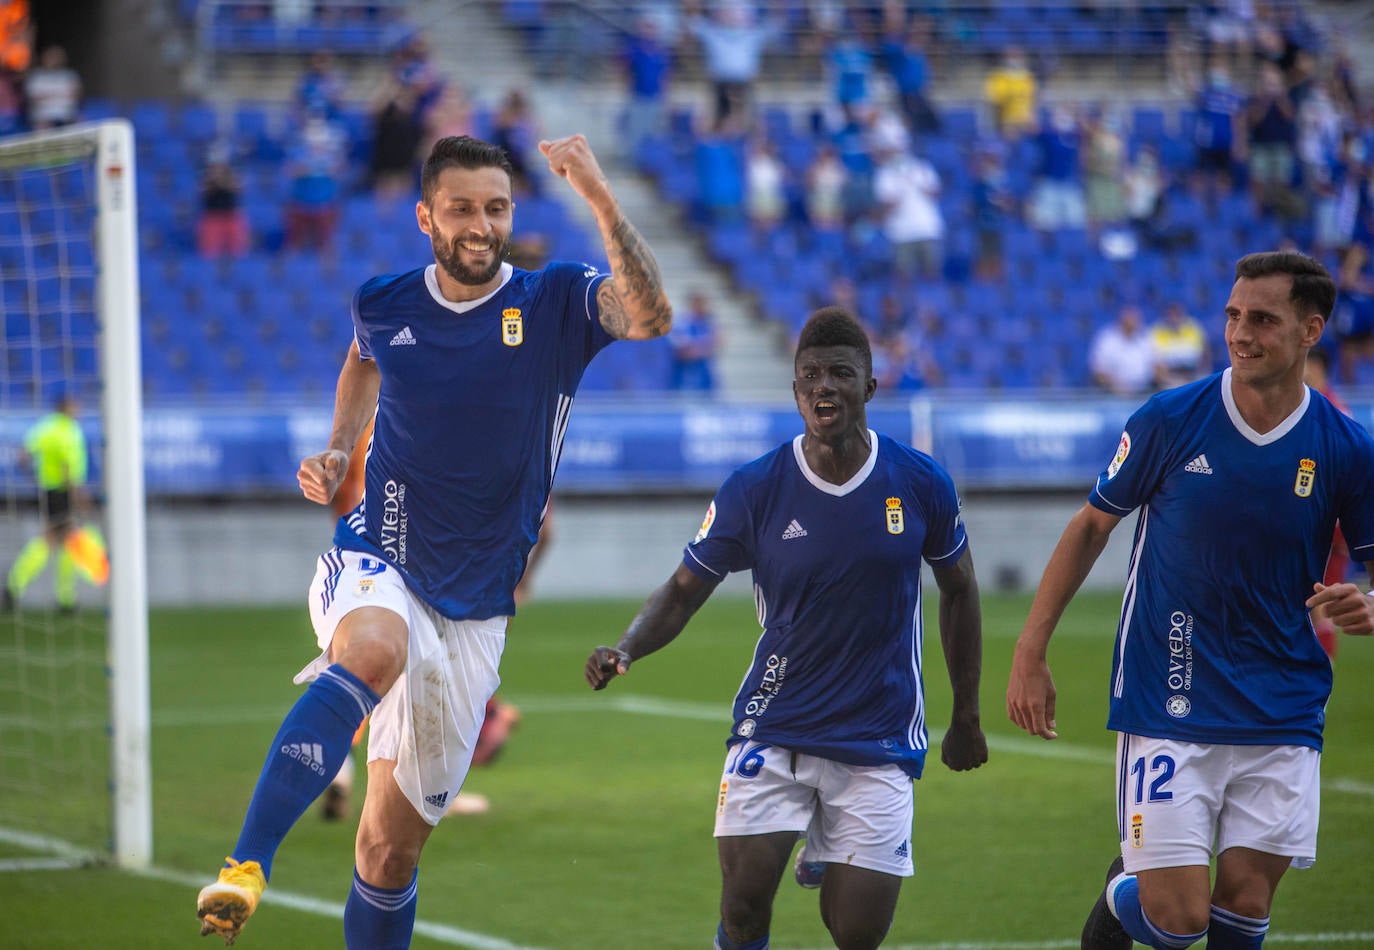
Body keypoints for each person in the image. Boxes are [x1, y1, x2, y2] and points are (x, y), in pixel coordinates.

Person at [196, 133, 673, 947]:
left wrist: (598, 195)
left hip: (477, 609)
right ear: (426, 217)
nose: (481, 225)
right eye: (461, 209)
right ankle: (245, 864)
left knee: (388, 852)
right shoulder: (384, 303)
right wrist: (340, 448)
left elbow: (651, 316)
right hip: (379, 553)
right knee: (373, 651)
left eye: (497, 208)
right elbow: (362, 360)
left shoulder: (556, 301)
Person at [586, 307, 987, 950]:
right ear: (795, 390)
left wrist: (965, 715)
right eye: (811, 375)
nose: (824, 386)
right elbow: (685, 589)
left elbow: (960, 589)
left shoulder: (920, 482)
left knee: (856, 933)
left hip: (879, 737)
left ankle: (825, 845)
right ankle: (811, 842)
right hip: (775, 728)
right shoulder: (755, 488)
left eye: (840, 374)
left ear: (869, 387)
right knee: (744, 911)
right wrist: (627, 647)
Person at [1006, 251, 1374, 950]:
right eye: (1233, 315)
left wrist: (1370, 601)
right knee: (1179, 921)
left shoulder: (1347, 447)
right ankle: (1126, 891)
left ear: (1311, 330)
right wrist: (1031, 647)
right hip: (1169, 693)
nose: (1240, 333)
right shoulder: (1171, 418)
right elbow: (1090, 526)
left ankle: (1145, 879)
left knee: (1245, 906)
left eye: (1262, 319)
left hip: (1284, 702)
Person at [2, 389, 88, 613]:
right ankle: (56, 596)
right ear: (66, 407)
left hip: (48, 490)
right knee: (56, 538)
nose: (78, 410)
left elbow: (23, 455)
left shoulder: (45, 427)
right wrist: (78, 496)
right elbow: (68, 467)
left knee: (62, 539)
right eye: (75, 406)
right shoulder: (68, 431)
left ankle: (22, 587)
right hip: (63, 491)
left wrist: (33, 477)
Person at [1302, 346, 1350, 659]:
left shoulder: (1329, 410)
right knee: (1315, 599)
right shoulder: (1324, 406)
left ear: (1317, 367)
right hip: (1324, 514)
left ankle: (1322, 673)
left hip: (1326, 516)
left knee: (1318, 598)